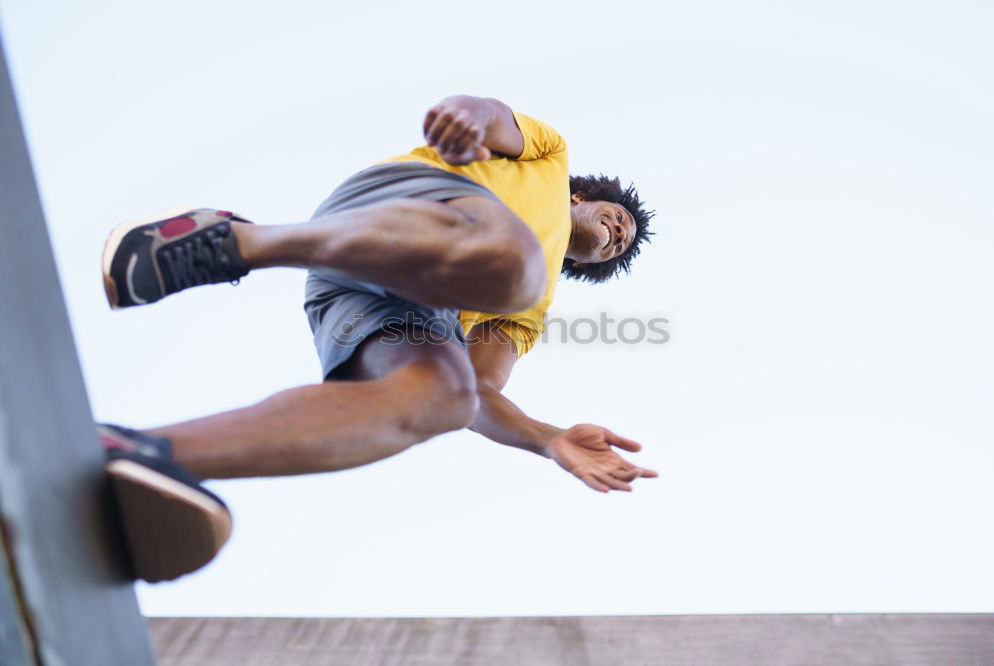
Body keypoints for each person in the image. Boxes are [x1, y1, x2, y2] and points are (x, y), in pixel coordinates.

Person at [99, 95, 658, 583]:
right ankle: (233, 243)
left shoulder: (530, 310)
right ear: (583, 196)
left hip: (377, 296)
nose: (617, 234)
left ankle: (147, 454)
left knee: (445, 397)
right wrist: (463, 117)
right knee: (516, 268)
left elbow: (483, 394)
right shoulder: (551, 159)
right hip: (408, 206)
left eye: (619, 245)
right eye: (616, 219)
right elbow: (491, 114)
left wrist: (547, 438)